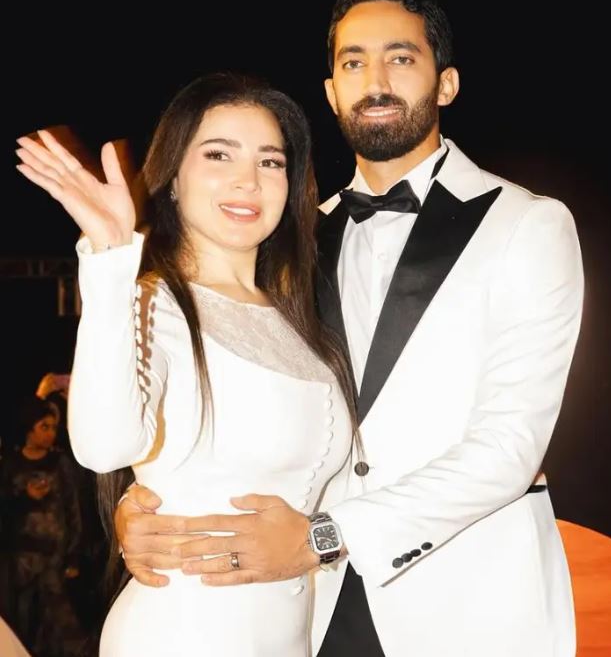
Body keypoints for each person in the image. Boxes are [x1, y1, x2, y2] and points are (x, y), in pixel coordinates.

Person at [115, 0, 585, 657]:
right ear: (332, 91)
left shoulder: (528, 225)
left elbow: (510, 446)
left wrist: (323, 536)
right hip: (308, 612)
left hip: (467, 603)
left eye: (401, 57)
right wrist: (149, 504)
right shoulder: (289, 242)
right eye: (353, 62)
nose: (376, 81)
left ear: (446, 83)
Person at [15, 72, 356, 656]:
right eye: (219, 154)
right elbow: (103, 447)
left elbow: (329, 498)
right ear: (173, 177)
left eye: (270, 161)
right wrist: (110, 258)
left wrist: (324, 539)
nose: (248, 179)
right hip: (180, 634)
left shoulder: (302, 321)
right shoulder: (154, 303)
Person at [0, 396, 85, 657]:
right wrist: (25, 497)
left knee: (60, 622)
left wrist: (73, 555)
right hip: (21, 560)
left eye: (53, 427)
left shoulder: (60, 464)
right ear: (29, 428)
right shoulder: (10, 464)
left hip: (54, 558)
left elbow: (73, 509)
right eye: (44, 427)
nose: (50, 433)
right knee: (24, 622)